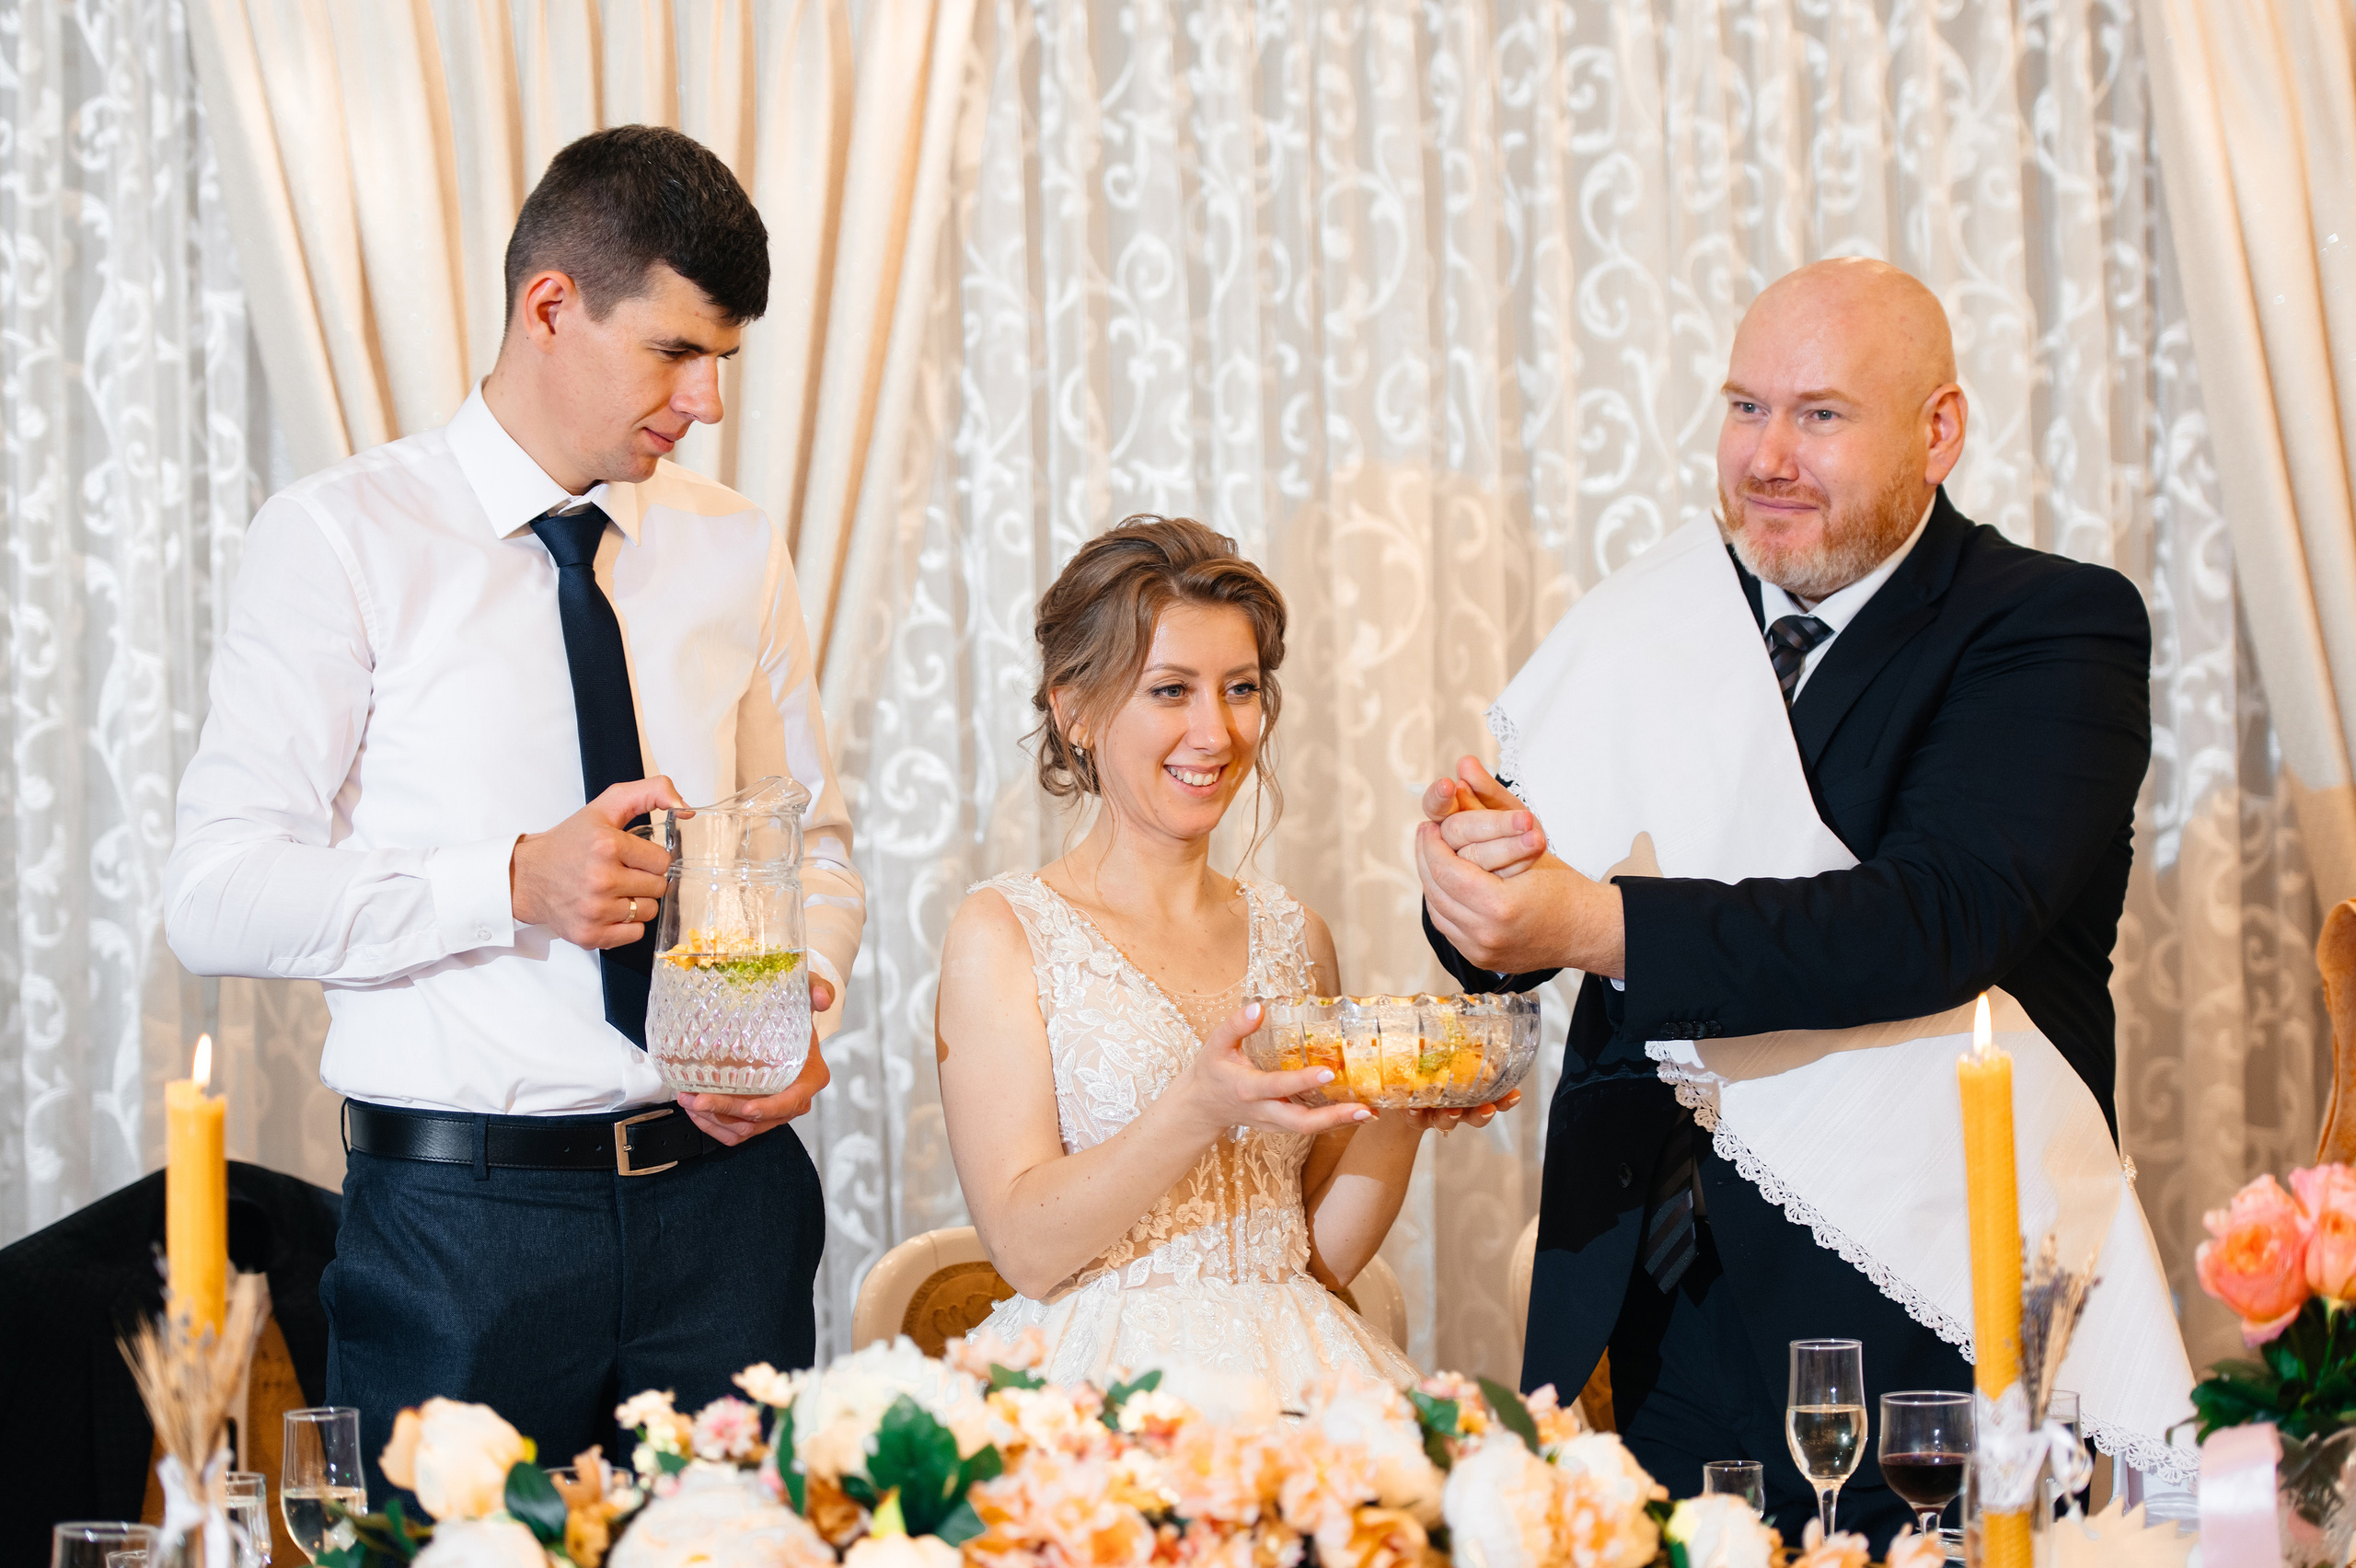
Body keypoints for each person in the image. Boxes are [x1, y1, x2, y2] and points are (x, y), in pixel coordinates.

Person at [1416, 259, 2192, 1546]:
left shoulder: (2052, 625)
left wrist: (1593, 923)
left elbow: (1932, 921)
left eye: (1820, 415)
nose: (1766, 457)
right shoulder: (1662, 619)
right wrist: (1474, 878)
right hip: (1647, 1301)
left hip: (1911, 1308)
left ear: (1938, 432)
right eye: (1745, 407)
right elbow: (1517, 933)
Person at [163, 127, 862, 1489]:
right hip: (460, 1235)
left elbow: (813, 845)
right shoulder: (339, 539)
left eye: (725, 358)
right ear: (550, 306)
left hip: (730, 1220)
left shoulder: (734, 544)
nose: (710, 401)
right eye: (676, 351)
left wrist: (799, 1010)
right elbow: (214, 895)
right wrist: (508, 883)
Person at [935, 517, 1514, 1400]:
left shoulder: (1296, 934)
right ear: (1074, 709)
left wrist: (1402, 1113)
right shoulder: (1005, 931)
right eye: (1171, 691)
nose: (1215, 733)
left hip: (1295, 1373)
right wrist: (1198, 1105)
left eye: (1239, 689)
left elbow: (1311, 1259)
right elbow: (1025, 1249)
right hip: (1098, 1389)